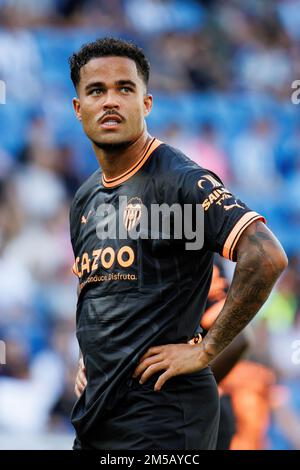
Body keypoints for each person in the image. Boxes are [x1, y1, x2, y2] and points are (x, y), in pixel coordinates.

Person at [68, 37, 288, 450]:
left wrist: (204, 352)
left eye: (125, 89)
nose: (110, 101)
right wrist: (91, 357)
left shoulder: (179, 181)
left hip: (164, 419)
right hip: (99, 414)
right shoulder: (86, 198)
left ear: (146, 103)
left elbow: (266, 255)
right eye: (97, 91)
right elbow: (103, 293)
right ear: (78, 108)